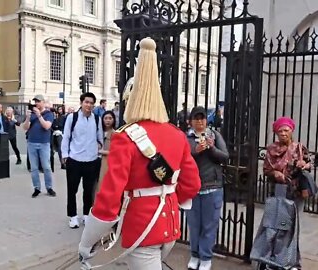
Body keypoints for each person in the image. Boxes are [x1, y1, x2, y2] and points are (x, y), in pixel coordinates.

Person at [78, 38, 201, 270]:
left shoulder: (124, 138)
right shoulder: (176, 134)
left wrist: (87, 240)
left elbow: (109, 196)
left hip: (142, 227)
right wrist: (170, 198)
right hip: (170, 224)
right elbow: (192, 184)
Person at [260, 116, 312, 270]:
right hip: (278, 192)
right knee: (276, 227)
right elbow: (266, 170)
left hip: (295, 193)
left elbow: (310, 164)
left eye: (286, 130)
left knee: (292, 228)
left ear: (291, 130)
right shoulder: (271, 150)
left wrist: (304, 164)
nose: (283, 133)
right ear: (276, 132)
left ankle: (292, 262)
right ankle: (272, 260)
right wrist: (275, 173)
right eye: (280, 130)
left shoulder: (299, 148)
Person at [186, 106, 229, 270]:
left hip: (212, 186)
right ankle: (194, 255)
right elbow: (182, 157)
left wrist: (212, 148)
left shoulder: (215, 135)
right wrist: (195, 151)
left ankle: (205, 257)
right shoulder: (186, 138)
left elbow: (224, 157)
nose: (200, 121)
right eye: (196, 118)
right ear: (191, 121)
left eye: (202, 118)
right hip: (193, 188)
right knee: (194, 224)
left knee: (209, 225)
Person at [61, 92, 103, 229]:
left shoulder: (96, 119)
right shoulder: (72, 118)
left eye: (91, 103)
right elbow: (66, 137)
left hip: (91, 160)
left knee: (88, 189)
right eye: (86, 102)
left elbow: (100, 137)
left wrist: (99, 150)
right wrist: (64, 155)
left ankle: (86, 214)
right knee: (72, 189)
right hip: (74, 159)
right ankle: (73, 216)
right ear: (81, 103)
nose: (89, 105)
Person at [22, 94, 56, 198]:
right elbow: (25, 127)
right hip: (32, 143)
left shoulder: (49, 114)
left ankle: (49, 187)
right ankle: (37, 188)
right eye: (35, 101)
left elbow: (47, 126)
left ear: (43, 102)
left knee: (46, 166)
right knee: (34, 168)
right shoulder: (32, 113)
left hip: (44, 143)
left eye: (38, 101)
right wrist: (28, 118)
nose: (36, 103)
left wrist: (39, 116)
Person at [98, 110, 117, 190]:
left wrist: (102, 152)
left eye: (110, 118)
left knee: (102, 185)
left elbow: (116, 152)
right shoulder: (99, 132)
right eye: (105, 118)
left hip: (106, 163)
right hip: (95, 162)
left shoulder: (115, 134)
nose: (108, 120)